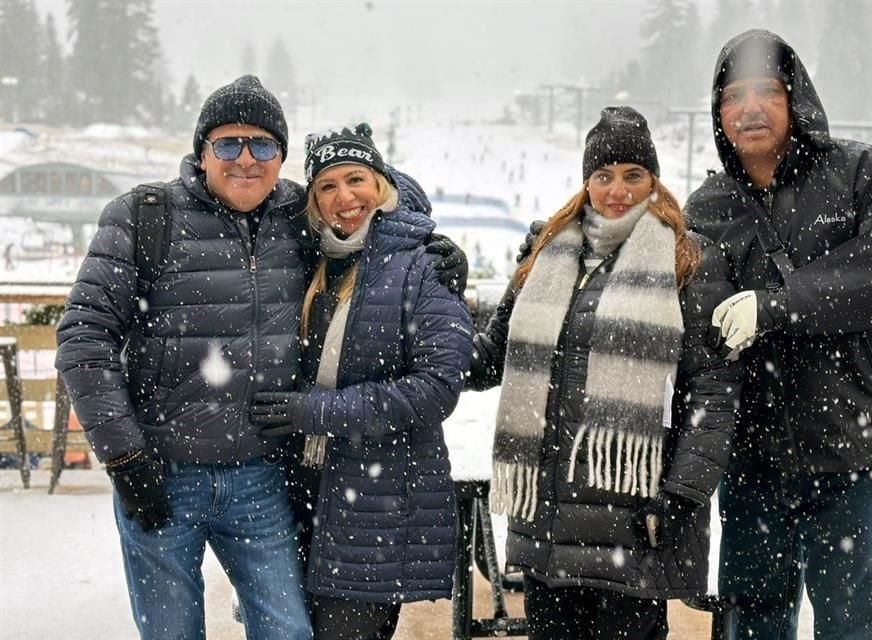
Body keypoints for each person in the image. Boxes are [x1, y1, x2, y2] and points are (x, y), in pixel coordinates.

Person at [55, 76, 465, 640]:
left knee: (288, 632)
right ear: (202, 153)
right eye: (228, 144)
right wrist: (125, 457)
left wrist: (430, 242)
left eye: (263, 145)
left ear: (280, 157)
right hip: (162, 472)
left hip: (260, 478)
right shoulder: (143, 217)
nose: (246, 159)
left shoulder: (296, 216)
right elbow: (84, 336)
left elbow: (366, 202)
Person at [684, 30, 872, 640]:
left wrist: (780, 305)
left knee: (854, 627)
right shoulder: (710, 206)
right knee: (752, 625)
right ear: (718, 112)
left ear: (795, 97)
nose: (750, 108)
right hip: (753, 461)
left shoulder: (859, 174)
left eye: (767, 91)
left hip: (853, 456)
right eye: (733, 96)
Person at [468, 106, 743, 640]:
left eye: (633, 175)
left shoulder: (688, 262)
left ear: (653, 181)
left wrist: (682, 493)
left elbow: (712, 390)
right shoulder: (548, 257)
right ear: (587, 182)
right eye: (604, 176)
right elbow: (487, 358)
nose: (617, 190)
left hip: (638, 517)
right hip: (549, 517)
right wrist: (430, 296)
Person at [248, 124, 474, 640]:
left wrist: (316, 411)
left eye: (356, 179)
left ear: (382, 184)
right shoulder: (311, 260)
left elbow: (437, 387)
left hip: (374, 503)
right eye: (327, 186)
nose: (344, 198)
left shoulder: (421, 266)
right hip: (299, 495)